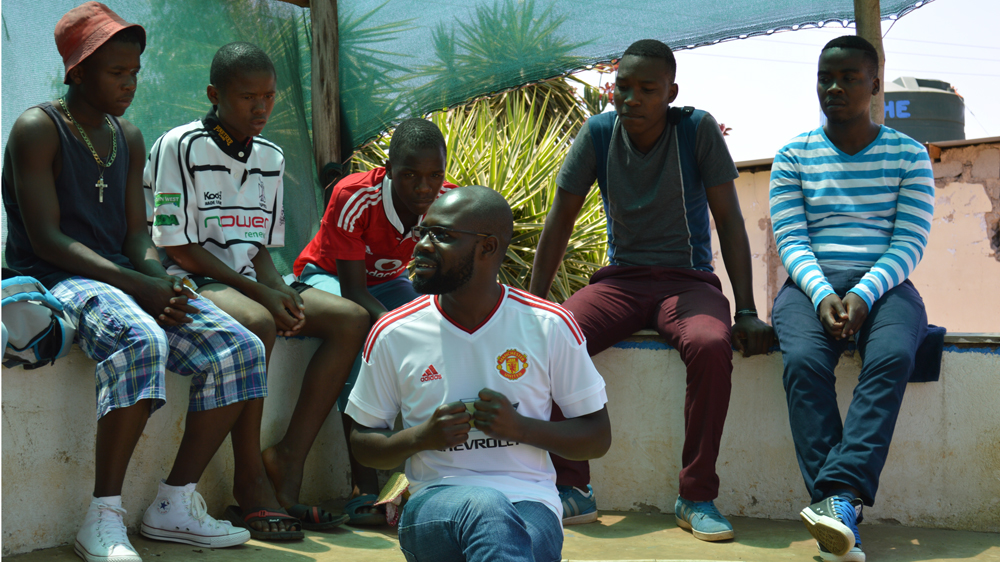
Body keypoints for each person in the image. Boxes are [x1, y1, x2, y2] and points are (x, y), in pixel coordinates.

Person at [2, 4, 264, 560]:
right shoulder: (37, 128)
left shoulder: (128, 136)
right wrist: (136, 284)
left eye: (135, 72)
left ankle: (173, 503)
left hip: (119, 275)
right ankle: (101, 518)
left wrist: (159, 279)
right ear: (76, 73)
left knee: (238, 347)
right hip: (56, 277)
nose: (130, 84)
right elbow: (47, 240)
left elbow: (137, 234)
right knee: (139, 338)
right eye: (117, 74)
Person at [529, 38, 774, 540]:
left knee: (710, 344)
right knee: (555, 337)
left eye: (646, 89)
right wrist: (534, 303)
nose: (631, 99)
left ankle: (696, 495)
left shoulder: (696, 131)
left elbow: (729, 220)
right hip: (622, 280)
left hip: (688, 281)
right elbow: (559, 223)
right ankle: (572, 490)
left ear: (671, 92)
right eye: (623, 87)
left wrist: (745, 308)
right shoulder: (598, 133)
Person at [144, 42, 369, 538]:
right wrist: (265, 297)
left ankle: (286, 461)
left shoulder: (270, 156)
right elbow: (178, 247)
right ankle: (250, 482)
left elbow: (261, 247)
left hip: (248, 280)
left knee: (351, 319)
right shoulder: (178, 146)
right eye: (249, 97)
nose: (262, 108)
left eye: (269, 96)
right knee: (258, 322)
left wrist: (278, 289)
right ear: (215, 94)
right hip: (192, 279)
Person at [346, 186, 612, 561]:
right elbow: (363, 442)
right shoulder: (394, 331)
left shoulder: (549, 325)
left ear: (487, 247)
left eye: (442, 235)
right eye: (423, 232)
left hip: (531, 501)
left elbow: (597, 437)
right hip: (433, 501)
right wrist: (422, 437)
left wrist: (520, 428)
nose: (422, 245)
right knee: (485, 508)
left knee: (514, 541)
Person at [769, 36, 935, 562]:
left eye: (849, 77)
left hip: (884, 284)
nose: (834, 87)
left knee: (892, 355)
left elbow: (909, 241)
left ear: (875, 84)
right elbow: (791, 239)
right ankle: (840, 508)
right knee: (800, 361)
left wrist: (863, 293)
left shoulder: (909, 155)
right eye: (825, 77)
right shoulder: (793, 156)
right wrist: (821, 295)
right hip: (807, 283)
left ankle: (835, 499)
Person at [291, 118, 456, 523]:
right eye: (410, 176)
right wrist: (395, 326)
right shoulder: (355, 195)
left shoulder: (446, 202)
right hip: (327, 278)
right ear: (388, 167)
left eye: (435, 175)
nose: (424, 187)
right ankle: (362, 484)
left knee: (443, 325)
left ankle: (437, 475)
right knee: (365, 335)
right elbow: (353, 290)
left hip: (387, 281)